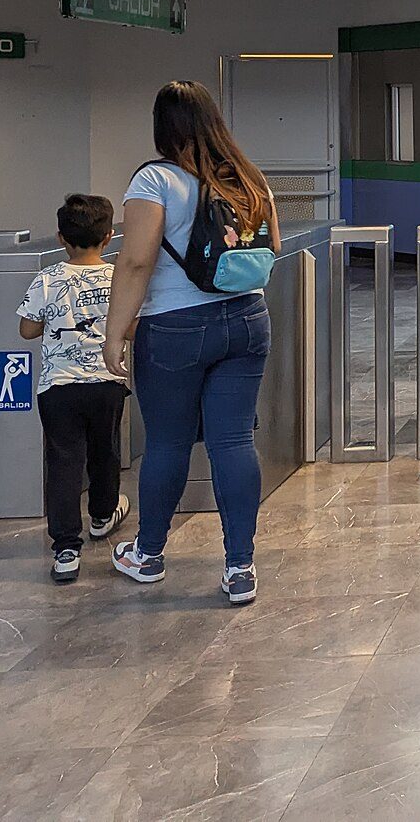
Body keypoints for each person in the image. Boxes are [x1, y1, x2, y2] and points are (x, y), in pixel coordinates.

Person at [105, 81, 279, 605]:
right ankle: (241, 568)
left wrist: (115, 333)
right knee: (232, 442)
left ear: (163, 126)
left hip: (175, 328)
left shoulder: (153, 180)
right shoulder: (249, 179)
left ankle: (149, 554)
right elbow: (272, 246)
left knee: (168, 443)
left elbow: (136, 261)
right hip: (248, 319)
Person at [17, 194, 130, 584]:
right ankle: (102, 514)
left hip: (58, 387)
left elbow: (27, 329)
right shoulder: (119, 278)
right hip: (107, 382)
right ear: (110, 236)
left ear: (61, 237)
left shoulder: (48, 277)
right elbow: (131, 327)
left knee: (64, 462)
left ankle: (66, 548)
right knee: (105, 451)